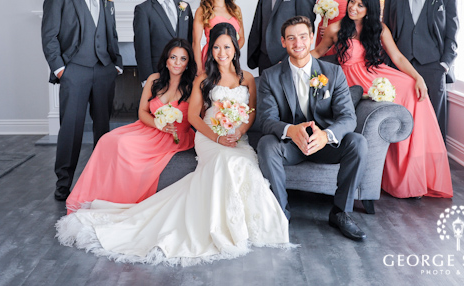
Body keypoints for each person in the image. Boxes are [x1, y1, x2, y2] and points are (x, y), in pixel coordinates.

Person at [56, 23, 291, 265]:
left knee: (244, 163)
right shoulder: (203, 79)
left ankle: (248, 225)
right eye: (217, 47)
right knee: (223, 159)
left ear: (235, 49)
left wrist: (239, 130)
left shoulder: (247, 78)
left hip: (237, 136)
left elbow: (251, 112)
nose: (222, 52)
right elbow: (194, 117)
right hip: (210, 136)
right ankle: (218, 226)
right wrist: (217, 137)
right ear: (210, 50)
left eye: (227, 47)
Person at [311, 0, 453, 199]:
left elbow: (398, 57)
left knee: (413, 92)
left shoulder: (379, 29)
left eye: (360, 5)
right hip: (353, 79)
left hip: (376, 75)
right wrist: (292, 60)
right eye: (352, 2)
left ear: (369, 9)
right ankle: (399, 175)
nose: (353, 7)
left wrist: (418, 78)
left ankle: (413, 172)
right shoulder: (335, 28)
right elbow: (318, 52)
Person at [257, 16, 368, 241]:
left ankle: (340, 212)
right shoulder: (270, 76)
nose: (297, 43)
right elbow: (266, 120)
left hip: (325, 145)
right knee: (266, 144)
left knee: (358, 143)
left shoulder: (333, 73)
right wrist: (291, 130)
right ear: (283, 42)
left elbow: (348, 117)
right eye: (291, 38)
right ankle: (280, 213)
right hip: (291, 146)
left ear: (311, 38)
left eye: (302, 37)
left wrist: (326, 135)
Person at [65, 38, 197, 214]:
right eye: (173, 57)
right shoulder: (154, 80)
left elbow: (198, 116)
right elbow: (142, 112)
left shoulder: (192, 86)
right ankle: (95, 195)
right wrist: (158, 124)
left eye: (183, 58)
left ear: (188, 63)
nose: (177, 63)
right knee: (106, 139)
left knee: (124, 145)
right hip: (149, 128)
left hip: (174, 137)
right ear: (166, 60)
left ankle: (120, 198)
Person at [41, 0, 123, 201]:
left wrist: (117, 63)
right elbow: (49, 35)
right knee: (71, 129)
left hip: (104, 70)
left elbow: (111, 33)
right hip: (74, 71)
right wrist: (60, 69)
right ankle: (63, 185)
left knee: (103, 130)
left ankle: (101, 184)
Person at [383, 0, 458, 140]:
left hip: (433, 68)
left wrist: (444, 65)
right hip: (399, 69)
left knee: (433, 125)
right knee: (399, 123)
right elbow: (385, 32)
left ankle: (434, 160)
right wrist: (387, 65)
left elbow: (452, 35)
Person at [133, 0, 194, 84]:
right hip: (158, 73)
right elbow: (142, 47)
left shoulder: (184, 7)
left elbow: (190, 40)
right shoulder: (143, 10)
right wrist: (147, 79)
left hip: (184, 74)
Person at [192, 0, 244, 73]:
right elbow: (196, 42)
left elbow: (241, 38)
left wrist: (229, 51)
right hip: (210, 58)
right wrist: (199, 70)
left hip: (229, 60)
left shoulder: (236, 9)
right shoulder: (203, 10)